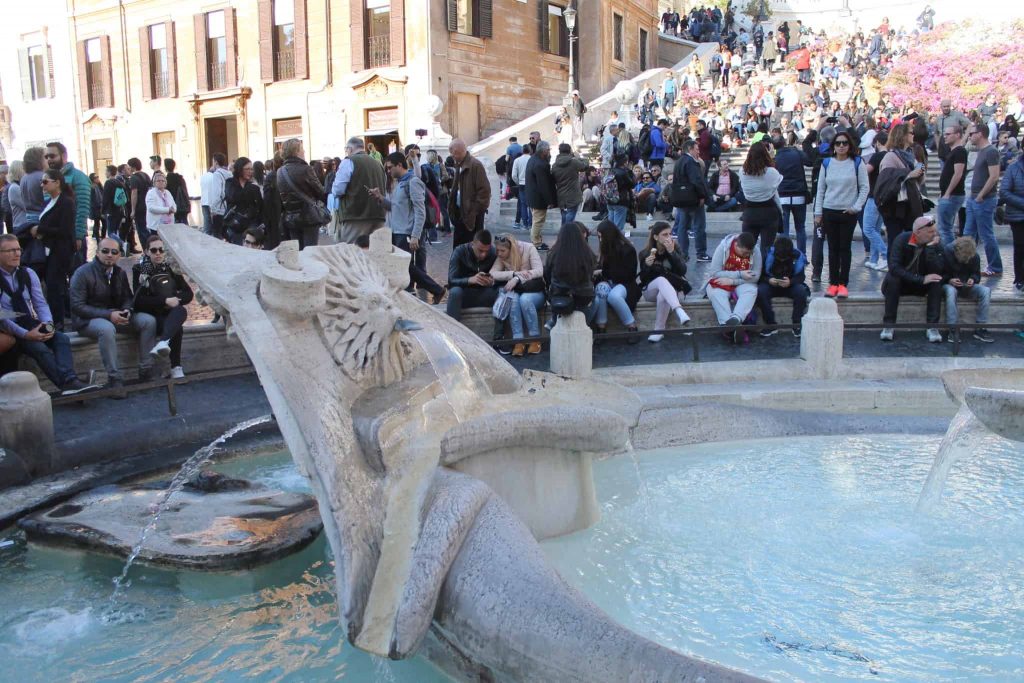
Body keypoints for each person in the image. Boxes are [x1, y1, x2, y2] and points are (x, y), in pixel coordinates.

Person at [0, 234, 94, 394]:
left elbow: (40, 304)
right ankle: (67, 384)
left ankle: (70, 380)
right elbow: (3, 317)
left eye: (18, 249)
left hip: (29, 322)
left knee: (61, 339)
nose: (17, 254)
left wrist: (47, 325)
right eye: (10, 250)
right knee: (39, 348)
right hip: (10, 329)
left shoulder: (28, 273)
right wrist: (26, 334)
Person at [70, 237, 158, 391]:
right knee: (106, 329)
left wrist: (127, 310)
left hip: (116, 317)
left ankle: (146, 370)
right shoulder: (82, 273)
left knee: (148, 321)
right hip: (88, 320)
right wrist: (108, 315)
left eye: (114, 252)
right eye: (105, 251)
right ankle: (114, 378)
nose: (109, 255)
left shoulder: (119, 272)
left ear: (119, 255)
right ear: (97, 253)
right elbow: (77, 306)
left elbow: (127, 298)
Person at [371, 152, 446, 303]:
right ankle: (430, 290)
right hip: (397, 231)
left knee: (405, 266)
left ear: (400, 165)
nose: (388, 171)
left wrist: (415, 235)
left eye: (390, 167)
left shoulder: (413, 182)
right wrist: (380, 198)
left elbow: (420, 210)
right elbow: (394, 207)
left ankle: (436, 289)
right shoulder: (400, 183)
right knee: (404, 266)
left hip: (406, 232)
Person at [813, 130, 869, 298]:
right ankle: (833, 283)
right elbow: (821, 189)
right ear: (834, 146)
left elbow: (865, 187)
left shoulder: (857, 162)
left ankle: (843, 284)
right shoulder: (826, 164)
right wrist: (818, 212)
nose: (842, 146)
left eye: (845, 143)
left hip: (848, 211)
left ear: (849, 145)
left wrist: (856, 207)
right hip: (829, 210)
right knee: (832, 248)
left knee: (845, 248)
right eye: (838, 143)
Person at [132, 235, 194, 378]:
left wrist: (175, 299)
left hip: (171, 313)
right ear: (147, 251)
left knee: (179, 312)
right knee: (176, 325)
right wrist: (164, 300)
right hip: (152, 314)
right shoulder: (139, 270)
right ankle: (175, 366)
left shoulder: (170, 268)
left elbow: (188, 294)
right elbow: (139, 300)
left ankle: (164, 343)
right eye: (154, 250)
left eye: (161, 250)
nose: (158, 253)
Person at [880, 216, 945, 343]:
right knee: (893, 279)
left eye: (934, 231)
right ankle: (889, 325)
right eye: (930, 232)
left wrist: (930, 249)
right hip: (904, 282)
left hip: (922, 284)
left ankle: (932, 326)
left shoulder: (935, 243)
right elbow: (894, 267)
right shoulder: (902, 239)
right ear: (918, 232)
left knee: (936, 281)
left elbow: (939, 269)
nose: (934, 234)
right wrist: (920, 279)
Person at [33, 169, 78, 331]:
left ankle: (58, 321)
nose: (42, 185)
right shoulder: (49, 202)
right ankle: (66, 314)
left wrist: (41, 229)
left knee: (55, 285)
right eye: (42, 182)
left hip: (61, 251)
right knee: (54, 285)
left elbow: (65, 230)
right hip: (49, 250)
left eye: (45, 182)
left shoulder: (66, 202)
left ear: (57, 182)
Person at [489, 234, 545, 356]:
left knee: (525, 300)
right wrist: (514, 274)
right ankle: (518, 340)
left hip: (534, 291)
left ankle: (534, 339)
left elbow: (539, 271)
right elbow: (492, 273)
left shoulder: (529, 248)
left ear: (511, 248)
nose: (499, 253)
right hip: (517, 292)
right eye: (497, 250)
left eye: (502, 251)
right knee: (513, 299)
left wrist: (518, 279)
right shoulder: (502, 256)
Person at [639, 221, 691, 342]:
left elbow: (682, 271)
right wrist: (646, 265)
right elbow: (643, 279)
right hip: (651, 291)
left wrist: (672, 253)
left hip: (675, 290)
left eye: (670, 234)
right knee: (661, 280)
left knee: (663, 295)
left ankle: (659, 330)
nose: (669, 237)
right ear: (656, 237)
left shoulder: (675, 248)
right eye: (665, 234)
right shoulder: (645, 253)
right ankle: (679, 311)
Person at [704, 232, 761, 341]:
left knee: (751, 290)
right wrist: (739, 274)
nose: (745, 256)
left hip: (742, 282)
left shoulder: (756, 251)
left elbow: (755, 277)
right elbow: (715, 272)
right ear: (736, 245)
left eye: (748, 254)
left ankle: (736, 318)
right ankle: (729, 326)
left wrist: (733, 281)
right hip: (722, 281)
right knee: (716, 293)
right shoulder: (723, 248)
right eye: (743, 253)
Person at [876, 123, 925, 251]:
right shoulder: (890, 156)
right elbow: (886, 181)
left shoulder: (910, 155)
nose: (913, 135)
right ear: (902, 136)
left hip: (910, 206)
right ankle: (894, 269)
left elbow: (918, 181)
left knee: (911, 242)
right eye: (910, 132)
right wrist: (908, 174)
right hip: (895, 209)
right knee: (895, 242)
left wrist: (920, 171)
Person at [331, 137, 388, 244]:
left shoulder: (348, 162)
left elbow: (338, 190)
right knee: (374, 253)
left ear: (350, 149)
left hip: (355, 216)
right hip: (378, 215)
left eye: (346, 149)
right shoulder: (378, 164)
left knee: (352, 252)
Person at [590, 221, 640, 338]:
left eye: (601, 236)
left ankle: (632, 326)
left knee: (614, 296)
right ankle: (601, 327)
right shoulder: (605, 249)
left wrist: (604, 272)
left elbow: (629, 275)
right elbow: (602, 270)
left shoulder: (628, 249)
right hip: (608, 282)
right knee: (601, 289)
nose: (600, 240)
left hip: (626, 284)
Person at [964, 123, 1002, 276]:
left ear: (980, 134)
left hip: (983, 200)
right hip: (974, 199)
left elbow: (994, 176)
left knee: (986, 234)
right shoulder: (982, 151)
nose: (970, 136)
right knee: (968, 233)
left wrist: (981, 195)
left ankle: (995, 266)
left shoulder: (991, 151)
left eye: (972, 133)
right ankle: (965, 264)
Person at [276, 138, 328, 250]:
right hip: (308, 216)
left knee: (297, 251)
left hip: (291, 217)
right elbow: (320, 191)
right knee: (310, 251)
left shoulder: (280, 171)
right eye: (302, 149)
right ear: (296, 151)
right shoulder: (306, 169)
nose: (304, 151)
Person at [45, 142, 90, 263]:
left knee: (76, 274)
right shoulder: (48, 178)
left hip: (72, 236)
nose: (49, 159)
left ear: (64, 156)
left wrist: (79, 235)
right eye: (47, 157)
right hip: (54, 237)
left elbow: (83, 208)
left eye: (52, 156)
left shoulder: (78, 177)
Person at [942, 237, 993, 343]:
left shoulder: (974, 256)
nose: (965, 261)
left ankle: (980, 327)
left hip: (966, 286)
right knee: (951, 292)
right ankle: (953, 328)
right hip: (949, 284)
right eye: (963, 258)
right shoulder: (946, 252)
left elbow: (976, 274)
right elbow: (939, 274)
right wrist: (950, 280)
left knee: (986, 291)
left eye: (967, 259)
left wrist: (973, 279)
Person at [757, 235, 809, 338]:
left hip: (790, 286)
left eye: (784, 258)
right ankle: (770, 324)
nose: (781, 260)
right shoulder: (766, 254)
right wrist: (769, 280)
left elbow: (801, 277)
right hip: (770, 285)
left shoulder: (798, 256)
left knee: (801, 291)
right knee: (760, 292)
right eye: (779, 258)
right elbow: (759, 275)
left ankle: (796, 324)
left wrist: (791, 282)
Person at [739, 141, 783, 262]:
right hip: (768, 212)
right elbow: (776, 184)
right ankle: (765, 274)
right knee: (767, 248)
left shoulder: (742, 172)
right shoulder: (772, 173)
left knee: (747, 247)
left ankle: (748, 272)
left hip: (750, 213)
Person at [544, 221, 595, 324]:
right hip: (583, 296)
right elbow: (590, 274)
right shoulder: (587, 253)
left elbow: (547, 275)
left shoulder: (554, 253)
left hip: (559, 294)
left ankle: (553, 323)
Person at [670, 140, 710, 262]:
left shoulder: (679, 162)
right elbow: (696, 180)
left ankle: (683, 253)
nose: (698, 151)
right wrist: (702, 195)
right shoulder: (691, 162)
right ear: (690, 149)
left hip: (682, 199)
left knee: (682, 226)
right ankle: (701, 253)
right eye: (697, 149)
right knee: (699, 226)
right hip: (693, 198)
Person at [446, 229, 498, 321]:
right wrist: (469, 280)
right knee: (455, 292)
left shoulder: (493, 252)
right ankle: (452, 329)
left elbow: (501, 277)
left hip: (484, 292)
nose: (483, 255)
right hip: (465, 293)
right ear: (473, 244)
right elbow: (451, 280)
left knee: (504, 292)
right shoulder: (459, 251)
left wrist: (492, 281)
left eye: (486, 251)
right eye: (480, 250)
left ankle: (501, 332)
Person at [447, 139, 491, 247]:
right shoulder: (460, 165)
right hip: (461, 213)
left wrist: (474, 210)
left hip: (471, 216)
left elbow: (484, 192)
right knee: (459, 247)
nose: (452, 157)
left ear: (458, 152)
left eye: (453, 155)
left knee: (471, 247)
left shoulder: (475, 165)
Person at [774, 132, 812, 254]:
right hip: (799, 193)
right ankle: (802, 254)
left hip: (783, 195)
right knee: (800, 227)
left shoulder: (775, 158)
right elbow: (809, 161)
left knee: (784, 229)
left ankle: (785, 255)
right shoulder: (796, 153)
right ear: (784, 143)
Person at [862, 130, 890, 271]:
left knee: (868, 228)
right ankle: (874, 259)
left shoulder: (877, 156)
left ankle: (885, 256)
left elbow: (866, 170)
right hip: (885, 197)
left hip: (874, 195)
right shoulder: (891, 155)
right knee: (876, 229)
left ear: (877, 143)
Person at [222, 157, 263, 245]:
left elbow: (259, 206)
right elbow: (233, 197)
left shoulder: (253, 187)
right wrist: (250, 188)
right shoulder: (230, 183)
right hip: (235, 225)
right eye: (247, 169)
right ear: (239, 169)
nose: (250, 172)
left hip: (250, 226)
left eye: (252, 169)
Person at [999, 150, 1024, 291]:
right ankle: (1020, 277)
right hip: (1018, 215)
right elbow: (1004, 192)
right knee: (1020, 247)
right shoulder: (1013, 168)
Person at [526, 141, 557, 250]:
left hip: (532, 196)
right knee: (538, 221)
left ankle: (537, 240)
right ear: (543, 151)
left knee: (536, 220)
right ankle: (536, 243)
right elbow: (544, 185)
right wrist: (550, 201)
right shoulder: (541, 164)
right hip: (538, 198)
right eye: (548, 150)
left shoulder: (532, 159)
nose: (549, 152)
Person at [551, 143, 588, 226]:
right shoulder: (573, 162)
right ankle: (567, 233)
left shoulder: (554, 165)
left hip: (561, 194)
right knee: (571, 215)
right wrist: (579, 157)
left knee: (564, 215)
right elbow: (585, 166)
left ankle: (563, 233)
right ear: (569, 151)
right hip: (573, 194)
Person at [200, 153, 231, 239]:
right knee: (226, 232)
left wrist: (213, 208)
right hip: (228, 206)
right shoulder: (229, 173)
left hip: (219, 208)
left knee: (217, 234)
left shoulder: (217, 174)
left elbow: (217, 193)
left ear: (216, 162)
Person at [125, 157, 153, 247]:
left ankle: (146, 250)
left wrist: (133, 210)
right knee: (147, 228)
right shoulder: (146, 175)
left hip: (139, 207)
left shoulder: (133, 177)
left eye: (129, 167)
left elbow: (134, 193)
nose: (129, 169)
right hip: (148, 206)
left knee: (141, 230)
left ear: (133, 167)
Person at [605, 154, 635, 235]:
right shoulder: (623, 173)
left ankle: (609, 243)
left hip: (610, 200)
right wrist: (630, 171)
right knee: (618, 228)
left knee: (611, 226)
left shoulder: (610, 171)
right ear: (624, 162)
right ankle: (616, 244)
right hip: (621, 200)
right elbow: (632, 184)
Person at [510, 144, 532, 230]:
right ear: (530, 150)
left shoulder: (517, 160)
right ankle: (530, 224)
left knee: (523, 205)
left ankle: (525, 224)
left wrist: (518, 182)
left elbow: (514, 175)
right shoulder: (532, 159)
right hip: (531, 184)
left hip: (522, 184)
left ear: (522, 151)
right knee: (531, 205)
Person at [164, 158, 190, 225]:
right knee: (184, 224)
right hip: (184, 206)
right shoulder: (181, 178)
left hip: (173, 207)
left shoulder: (166, 180)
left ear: (165, 168)